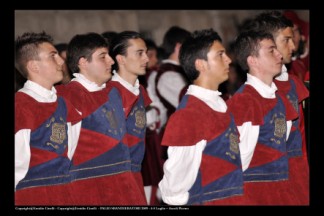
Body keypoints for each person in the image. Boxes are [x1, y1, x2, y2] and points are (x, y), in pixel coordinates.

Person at [158, 28, 247, 205]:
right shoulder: (189, 115)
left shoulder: (217, 104)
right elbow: (175, 186)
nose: (228, 59)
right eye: (220, 55)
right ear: (201, 64)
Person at [57, 32, 147, 205]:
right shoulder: (68, 96)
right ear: (83, 63)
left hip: (124, 184)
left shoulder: (113, 92)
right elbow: (63, 153)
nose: (111, 61)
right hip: (88, 189)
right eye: (102, 57)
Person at [245, 11, 309, 205]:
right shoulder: (254, 92)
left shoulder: (294, 84)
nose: (293, 45)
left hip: (299, 175)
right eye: (286, 40)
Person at [227, 30, 298, 205]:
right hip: (254, 193)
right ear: (253, 60)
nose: (279, 54)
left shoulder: (279, 98)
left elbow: (284, 144)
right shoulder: (244, 101)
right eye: (271, 50)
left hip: (280, 189)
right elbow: (238, 159)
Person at [15, 31, 82, 205]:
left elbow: (71, 150)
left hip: (65, 191)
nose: (61, 61)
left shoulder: (64, 103)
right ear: (34, 66)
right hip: (31, 193)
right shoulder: (20, 105)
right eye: (53, 56)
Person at [108, 31, 153, 204]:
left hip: (135, 172)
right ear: (121, 59)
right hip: (117, 177)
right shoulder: (111, 92)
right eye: (139, 53)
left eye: (146, 53)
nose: (146, 59)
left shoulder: (139, 90)